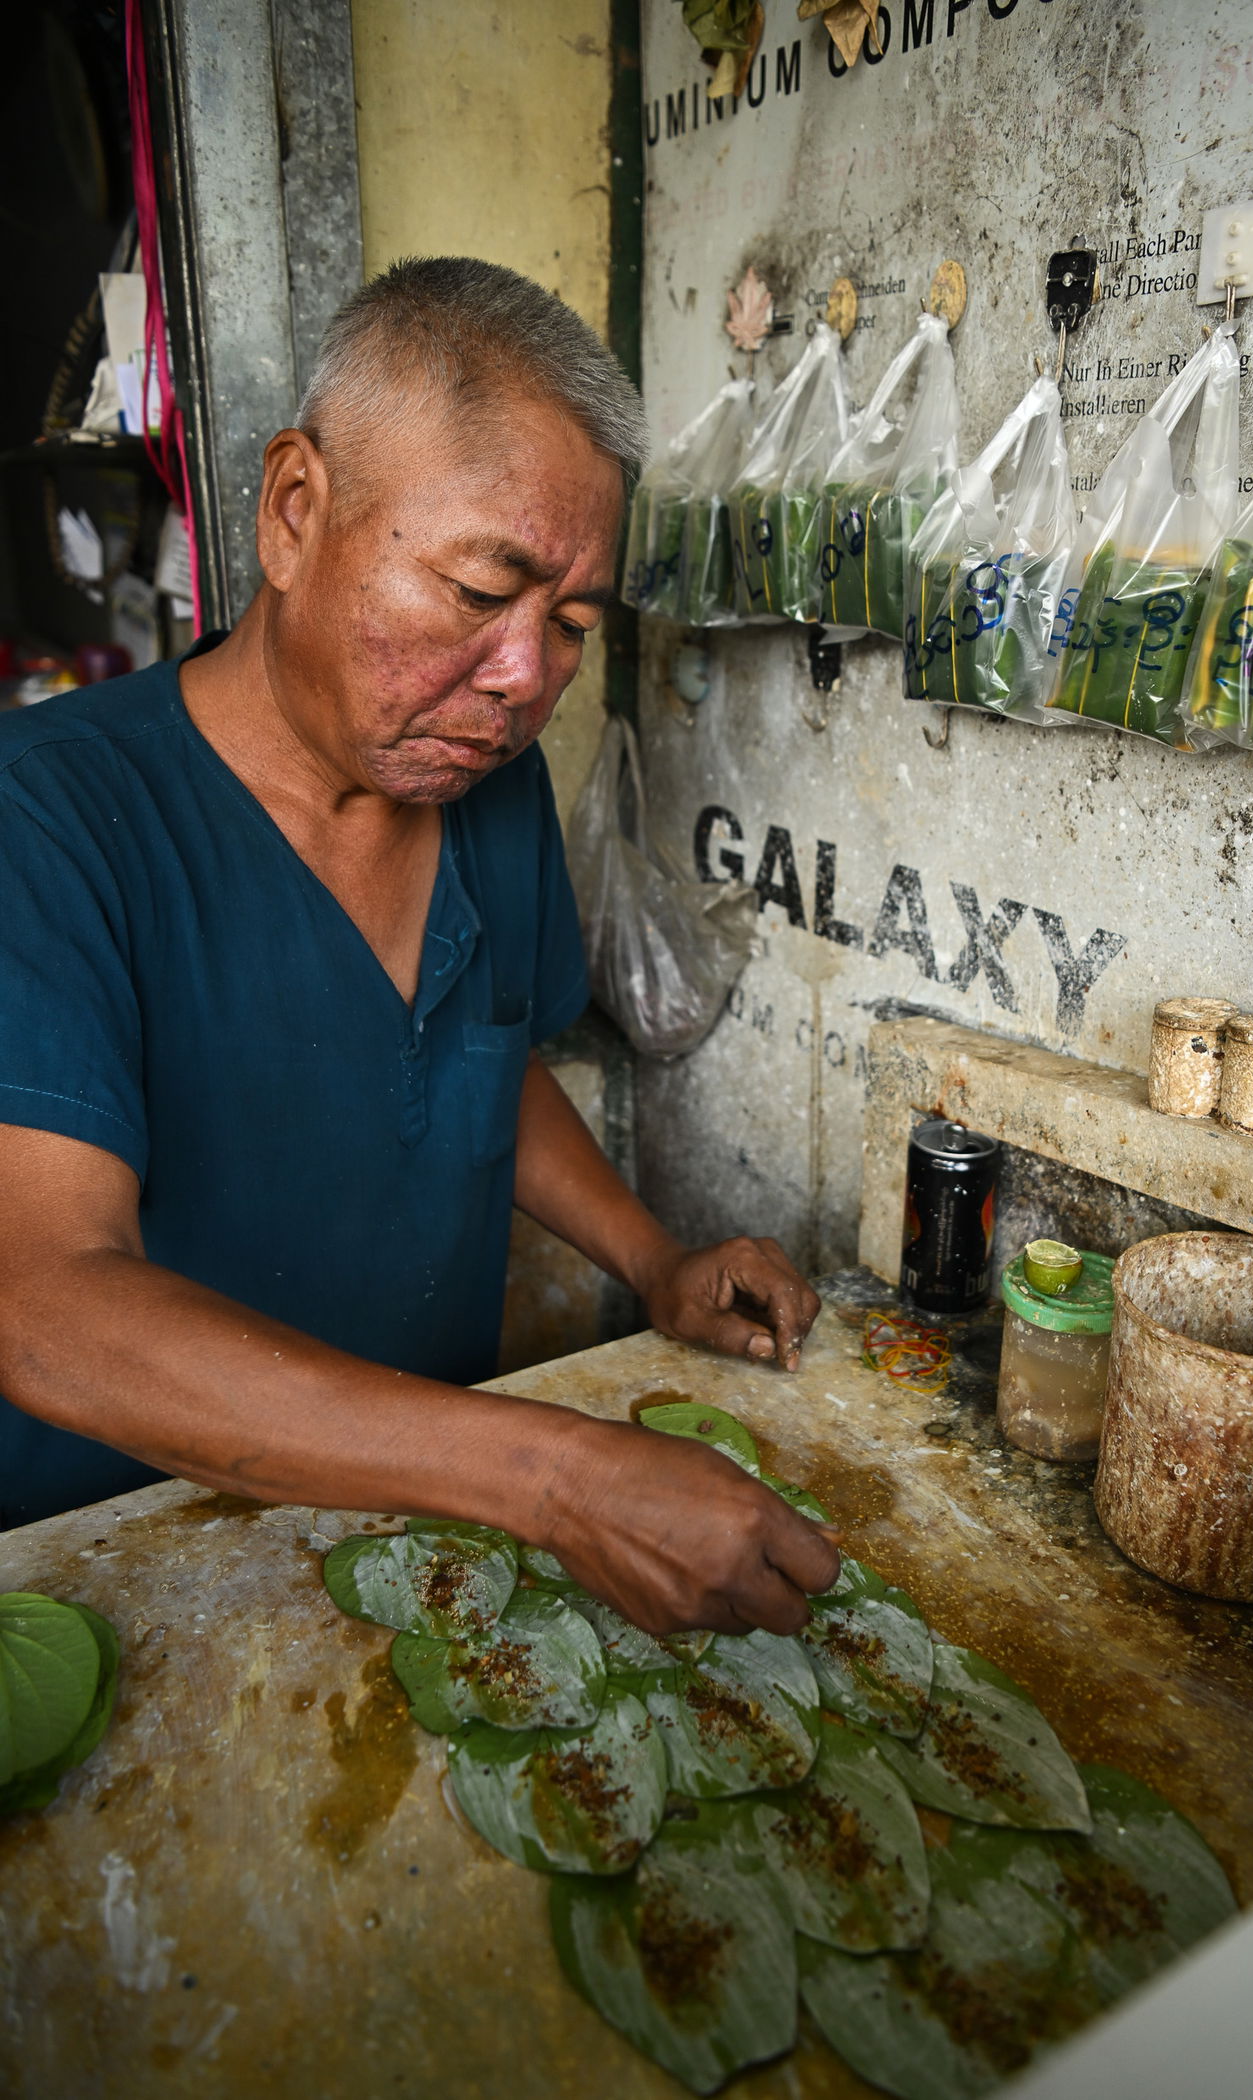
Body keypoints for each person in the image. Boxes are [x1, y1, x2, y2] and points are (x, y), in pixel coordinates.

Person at [0, 257, 838, 1632]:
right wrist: (561, 1480)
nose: (524, 680)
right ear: (295, 510)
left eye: (571, 625)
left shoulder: (489, 791)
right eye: (477, 591)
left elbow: (481, 1064)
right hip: (130, 1568)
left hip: (433, 1530)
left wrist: (652, 1262)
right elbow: (48, 1307)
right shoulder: (48, 816)